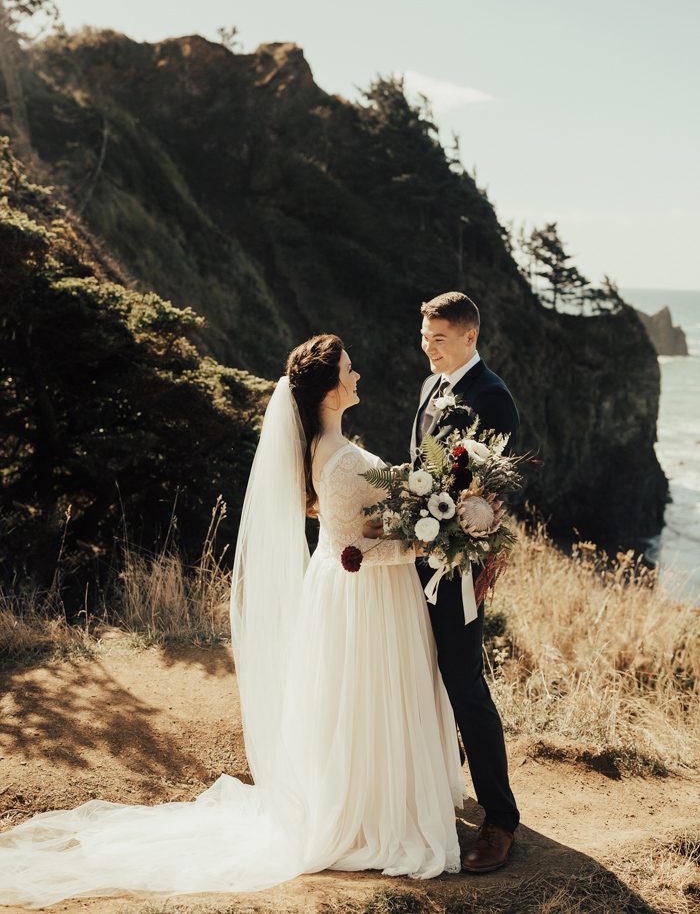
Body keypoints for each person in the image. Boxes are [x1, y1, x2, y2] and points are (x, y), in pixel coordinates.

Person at [0, 333, 465, 907]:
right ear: (328, 388)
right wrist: (426, 542)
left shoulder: (331, 446)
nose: (358, 375)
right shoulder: (341, 462)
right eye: (350, 369)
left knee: (360, 701)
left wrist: (419, 528)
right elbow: (354, 552)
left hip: (359, 595)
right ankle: (373, 812)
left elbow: (357, 536)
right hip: (361, 599)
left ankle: (376, 797)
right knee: (366, 698)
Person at [411, 291, 520, 873]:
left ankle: (501, 821)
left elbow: (491, 497)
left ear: (469, 337)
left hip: (457, 564)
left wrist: (457, 532)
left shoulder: (492, 399)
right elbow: (420, 466)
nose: (427, 347)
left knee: (465, 684)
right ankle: (436, 786)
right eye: (425, 337)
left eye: (439, 339)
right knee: (417, 672)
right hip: (415, 556)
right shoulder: (431, 386)